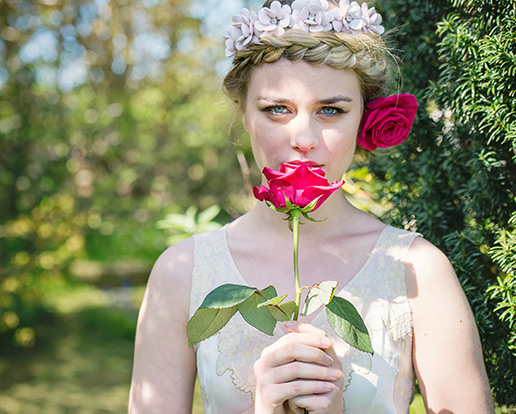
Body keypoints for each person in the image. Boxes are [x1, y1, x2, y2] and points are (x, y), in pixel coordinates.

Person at [129, 0, 494, 412]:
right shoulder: (181, 272)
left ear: (364, 119)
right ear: (245, 115)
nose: (303, 137)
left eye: (330, 110)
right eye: (277, 109)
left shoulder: (418, 271)